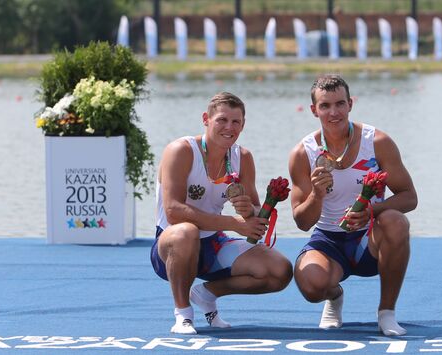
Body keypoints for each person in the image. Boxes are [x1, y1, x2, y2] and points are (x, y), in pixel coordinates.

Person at [151, 92, 293, 335]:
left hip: (213, 245)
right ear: (206, 119)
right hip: (171, 247)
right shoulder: (181, 150)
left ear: (243, 125)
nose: (229, 127)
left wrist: (251, 212)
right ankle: (183, 314)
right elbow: (173, 211)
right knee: (186, 232)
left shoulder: (243, 157)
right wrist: (233, 223)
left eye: (236, 122)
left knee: (280, 271)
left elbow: (257, 212)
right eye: (222, 120)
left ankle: (207, 293)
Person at [288, 75, 417, 336]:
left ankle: (386, 313)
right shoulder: (303, 153)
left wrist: (371, 212)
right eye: (325, 106)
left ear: (350, 104)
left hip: (369, 240)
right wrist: (316, 194)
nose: (333, 112)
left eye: (339, 104)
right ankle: (334, 297)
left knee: (396, 221)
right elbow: (302, 222)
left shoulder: (377, 142)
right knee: (312, 286)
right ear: (314, 110)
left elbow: (409, 197)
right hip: (329, 240)